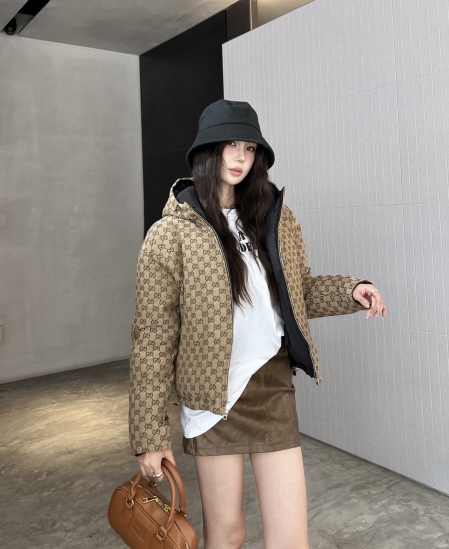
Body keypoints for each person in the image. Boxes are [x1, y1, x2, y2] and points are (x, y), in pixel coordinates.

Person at [128, 99, 387, 549]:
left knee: (291, 536)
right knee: (228, 533)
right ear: (206, 151)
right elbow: (152, 338)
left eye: (249, 148)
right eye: (230, 145)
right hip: (213, 399)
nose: (240, 157)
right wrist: (150, 435)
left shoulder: (274, 218)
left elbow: (297, 293)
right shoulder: (171, 234)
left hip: (271, 385)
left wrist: (352, 290)